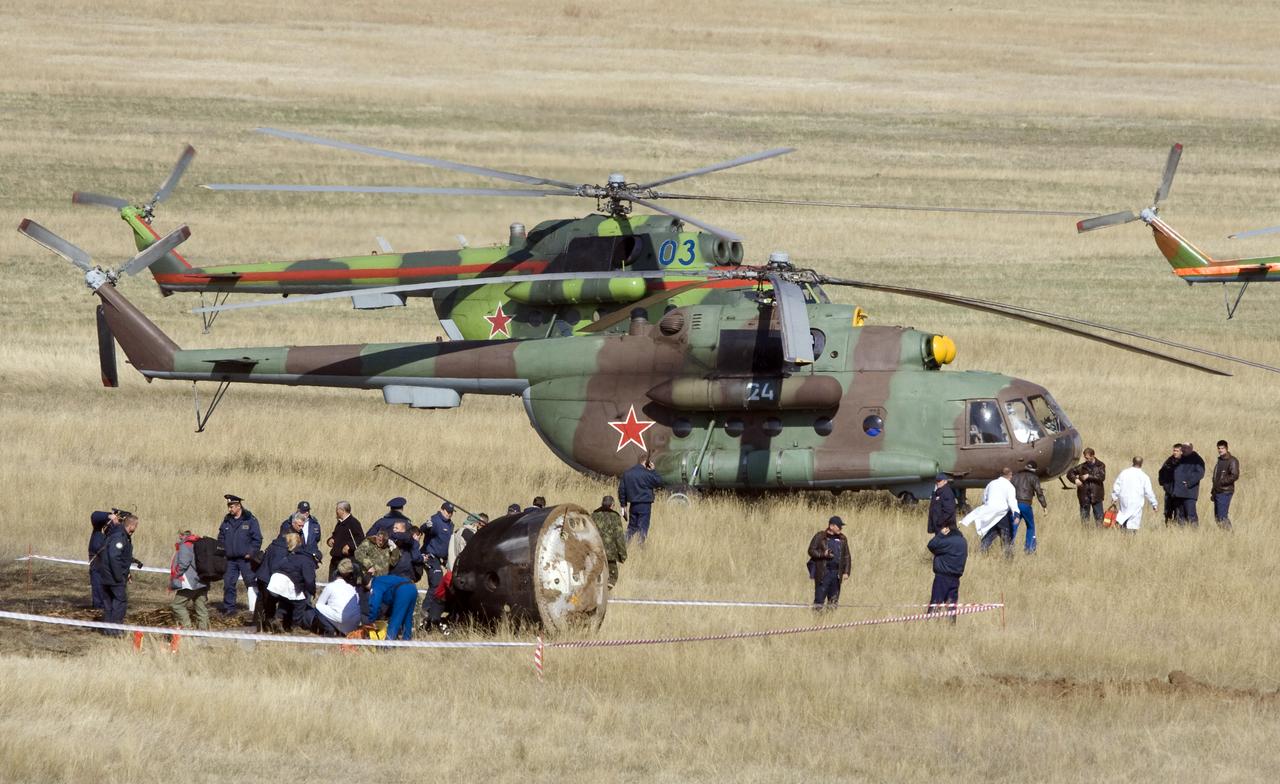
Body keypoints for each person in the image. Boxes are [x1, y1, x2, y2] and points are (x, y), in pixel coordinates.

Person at [94, 511, 139, 635]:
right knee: (120, 603)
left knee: (109, 604)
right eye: (135, 526)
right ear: (131, 526)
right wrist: (119, 576)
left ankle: (108, 630)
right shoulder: (119, 537)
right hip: (113, 578)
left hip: (106, 576)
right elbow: (114, 557)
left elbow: (121, 558)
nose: (135, 529)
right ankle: (115, 631)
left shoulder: (117, 535)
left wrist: (127, 572)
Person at [217, 494, 262, 616]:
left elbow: (257, 539)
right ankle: (229, 609)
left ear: (238, 506)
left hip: (245, 560)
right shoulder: (226, 521)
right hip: (230, 559)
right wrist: (222, 551)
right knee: (228, 583)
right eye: (229, 506)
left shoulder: (250, 520)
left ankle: (255, 609)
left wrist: (251, 553)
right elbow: (221, 537)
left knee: (251, 583)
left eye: (231, 506)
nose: (229, 509)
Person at [265, 533, 318, 632]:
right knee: (301, 603)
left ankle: (278, 619)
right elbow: (309, 580)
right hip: (285, 582)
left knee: (285, 600)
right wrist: (313, 591)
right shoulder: (308, 561)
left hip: (274, 581)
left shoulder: (292, 555)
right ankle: (296, 627)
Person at [960, 468, 1019, 556]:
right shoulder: (1009, 486)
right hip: (1002, 515)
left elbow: (984, 497)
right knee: (1006, 535)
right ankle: (1008, 557)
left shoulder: (991, 483)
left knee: (991, 533)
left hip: (990, 514)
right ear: (1010, 475)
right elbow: (1012, 501)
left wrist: (986, 507)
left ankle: (981, 552)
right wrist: (1016, 514)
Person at [926, 518, 968, 621]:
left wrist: (940, 535)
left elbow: (931, 545)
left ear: (947, 529)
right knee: (951, 606)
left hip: (942, 577)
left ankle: (930, 624)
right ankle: (951, 627)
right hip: (955, 578)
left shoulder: (947, 541)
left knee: (936, 603)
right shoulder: (963, 541)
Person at [807, 516, 851, 611]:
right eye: (839, 526)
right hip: (823, 573)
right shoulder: (820, 536)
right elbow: (811, 550)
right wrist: (823, 554)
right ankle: (816, 623)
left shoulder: (843, 539)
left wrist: (846, 572)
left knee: (833, 601)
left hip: (836, 575)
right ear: (831, 526)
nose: (841, 528)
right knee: (819, 601)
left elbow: (847, 556)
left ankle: (830, 622)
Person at [169, 530, 209, 630]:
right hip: (203, 581)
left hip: (190, 582)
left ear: (181, 535)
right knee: (201, 609)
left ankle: (187, 629)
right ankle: (204, 635)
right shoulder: (199, 544)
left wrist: (175, 576)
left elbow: (183, 564)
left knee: (177, 605)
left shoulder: (185, 545)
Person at [619, 457, 664, 544]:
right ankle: (640, 547)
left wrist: (623, 505)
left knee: (631, 527)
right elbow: (659, 482)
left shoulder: (627, 473)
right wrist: (653, 470)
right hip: (645, 505)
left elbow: (622, 490)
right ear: (646, 463)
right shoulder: (648, 474)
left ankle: (625, 544)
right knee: (643, 527)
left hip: (633, 505)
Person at [312, 558, 361, 636]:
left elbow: (319, 604)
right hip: (354, 623)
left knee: (318, 607)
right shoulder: (353, 589)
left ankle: (330, 630)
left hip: (341, 618)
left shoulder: (331, 586)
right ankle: (340, 632)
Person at [365, 573, 419, 641]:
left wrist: (371, 620)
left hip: (403, 591)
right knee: (407, 618)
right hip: (412, 588)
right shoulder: (382, 579)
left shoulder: (375, 584)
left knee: (395, 619)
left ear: (368, 584)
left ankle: (388, 645)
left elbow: (375, 603)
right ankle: (407, 641)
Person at [1112, 457, 1158, 532]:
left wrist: (1114, 497)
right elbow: (1148, 492)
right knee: (1134, 519)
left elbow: (1117, 485)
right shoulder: (1144, 476)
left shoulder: (1124, 473)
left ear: (1133, 462)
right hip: (1136, 501)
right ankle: (1130, 537)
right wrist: (1154, 504)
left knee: (1124, 514)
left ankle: (1121, 528)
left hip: (1124, 499)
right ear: (1142, 463)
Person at [591, 496, 628, 589]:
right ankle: (605, 594)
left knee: (595, 573)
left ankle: (597, 590)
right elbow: (619, 537)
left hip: (595, 550)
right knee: (613, 577)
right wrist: (622, 554)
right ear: (612, 505)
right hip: (610, 553)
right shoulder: (615, 517)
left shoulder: (594, 515)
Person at [1010, 461, 1047, 554]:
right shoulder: (1034, 477)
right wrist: (1044, 506)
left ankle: (1009, 547)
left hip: (1015, 505)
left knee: (1013, 526)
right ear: (1034, 469)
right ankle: (1029, 549)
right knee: (1030, 526)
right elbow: (1039, 492)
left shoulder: (1015, 476)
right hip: (1026, 505)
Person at [88, 509, 120, 610]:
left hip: (109, 568)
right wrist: (109, 516)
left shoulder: (115, 533)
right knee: (98, 596)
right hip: (97, 566)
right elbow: (94, 515)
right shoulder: (98, 527)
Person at [1065, 448, 1107, 524]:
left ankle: (1100, 534)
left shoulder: (1100, 465)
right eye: (1085, 457)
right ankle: (1085, 534)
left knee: (1099, 519)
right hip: (1084, 496)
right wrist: (1075, 480)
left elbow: (1101, 477)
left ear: (1093, 456)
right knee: (1084, 520)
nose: (1086, 459)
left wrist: (1088, 476)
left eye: (1087, 458)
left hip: (1096, 496)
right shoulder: (1082, 466)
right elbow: (1069, 473)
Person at [327, 501, 364, 581]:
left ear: (342, 510)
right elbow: (336, 535)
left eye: (337, 509)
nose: (336, 511)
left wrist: (350, 546)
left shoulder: (353, 522)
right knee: (332, 583)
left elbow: (360, 539)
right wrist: (330, 540)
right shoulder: (340, 523)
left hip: (346, 561)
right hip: (335, 560)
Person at [1170, 443, 1205, 526]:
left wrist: (1189, 482)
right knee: (1179, 515)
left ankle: (1194, 533)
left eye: (1186, 448)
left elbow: (1200, 473)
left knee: (1191, 515)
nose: (1184, 449)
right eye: (1183, 448)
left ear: (1191, 448)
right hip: (1178, 493)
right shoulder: (1179, 459)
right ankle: (1182, 534)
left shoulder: (1197, 459)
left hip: (1189, 493)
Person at [1211, 440, 1240, 531]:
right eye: (1219, 448)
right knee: (1217, 517)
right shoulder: (1219, 460)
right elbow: (1215, 477)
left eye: (1222, 448)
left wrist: (1221, 482)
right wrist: (1213, 491)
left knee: (1222, 516)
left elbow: (1235, 475)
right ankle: (1224, 535)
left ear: (1227, 448)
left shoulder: (1232, 460)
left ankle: (1230, 535)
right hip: (1217, 491)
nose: (1220, 450)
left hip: (1225, 491)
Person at [1158, 445, 1180, 524]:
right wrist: (1164, 484)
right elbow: (1161, 472)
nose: (1175, 452)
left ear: (1181, 452)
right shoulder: (1169, 461)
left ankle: (1177, 528)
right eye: (1174, 450)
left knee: (1178, 512)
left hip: (1179, 492)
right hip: (1169, 491)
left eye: (1177, 451)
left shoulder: (1184, 462)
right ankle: (1168, 526)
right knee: (1167, 511)